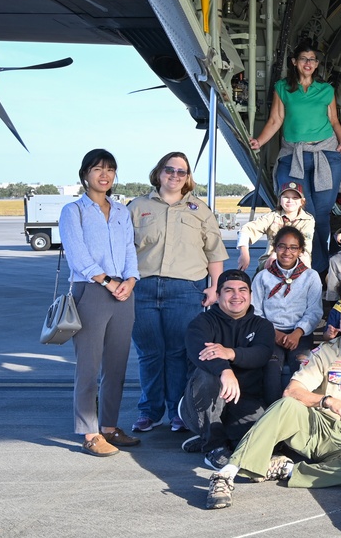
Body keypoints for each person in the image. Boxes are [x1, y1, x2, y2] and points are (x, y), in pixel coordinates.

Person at [204, 298, 341, 509]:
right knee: (286, 406)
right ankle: (225, 475)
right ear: (340, 323)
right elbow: (292, 391)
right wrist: (329, 401)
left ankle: (287, 470)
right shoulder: (325, 353)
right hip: (317, 428)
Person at [128, 151, 228, 433]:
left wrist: (215, 286)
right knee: (149, 353)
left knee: (177, 353)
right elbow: (123, 250)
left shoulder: (200, 210)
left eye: (181, 172)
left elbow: (214, 252)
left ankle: (177, 411)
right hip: (143, 289)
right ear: (159, 173)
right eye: (169, 170)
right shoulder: (137, 207)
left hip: (185, 290)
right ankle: (149, 411)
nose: (174, 176)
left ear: (187, 178)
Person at [58, 149, 140, 457]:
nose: (104, 175)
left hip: (123, 291)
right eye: (97, 169)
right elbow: (77, 254)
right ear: (85, 175)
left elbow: (131, 250)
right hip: (91, 289)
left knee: (117, 365)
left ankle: (109, 426)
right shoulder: (73, 211)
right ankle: (89, 432)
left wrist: (130, 281)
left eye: (109, 169)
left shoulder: (121, 211)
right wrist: (107, 281)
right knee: (88, 366)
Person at [249, 40, 341, 272]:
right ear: (294, 62)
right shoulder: (283, 87)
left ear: (316, 64)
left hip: (326, 154)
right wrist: (259, 141)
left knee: (321, 214)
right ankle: (304, 266)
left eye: (312, 59)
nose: (308, 63)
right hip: (294, 154)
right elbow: (276, 120)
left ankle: (324, 268)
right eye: (303, 58)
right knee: (301, 211)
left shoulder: (326, 90)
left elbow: (334, 121)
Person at [181, 269, 274, 470]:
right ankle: (213, 447)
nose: (236, 296)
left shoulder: (262, 326)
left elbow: (261, 354)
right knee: (207, 375)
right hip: (201, 404)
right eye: (229, 290)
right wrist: (225, 371)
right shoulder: (202, 323)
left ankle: (210, 438)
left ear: (250, 294)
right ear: (218, 295)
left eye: (242, 290)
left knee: (259, 436)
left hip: (243, 401)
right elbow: (199, 352)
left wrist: (230, 353)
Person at [250, 226, 323, 404]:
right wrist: (274, 333)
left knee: (302, 367)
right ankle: (272, 414)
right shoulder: (263, 277)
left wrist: (297, 333)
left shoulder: (310, 276)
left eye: (293, 247)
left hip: (300, 334)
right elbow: (255, 311)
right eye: (282, 246)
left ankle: (297, 412)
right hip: (270, 333)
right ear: (275, 248)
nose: (287, 252)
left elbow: (314, 310)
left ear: (300, 250)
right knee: (271, 367)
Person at [236, 181, 315, 272]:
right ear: (279, 200)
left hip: (298, 260)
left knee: (306, 264)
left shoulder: (307, 220)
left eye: (295, 198)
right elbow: (246, 230)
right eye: (286, 197)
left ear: (302, 201)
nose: (290, 201)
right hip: (270, 262)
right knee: (266, 268)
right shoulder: (272, 217)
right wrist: (244, 253)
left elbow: (304, 248)